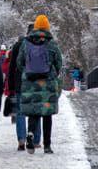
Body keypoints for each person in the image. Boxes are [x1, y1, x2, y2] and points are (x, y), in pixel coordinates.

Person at [16, 14, 63, 155]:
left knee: (33, 113)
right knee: (47, 115)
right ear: (48, 27)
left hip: (30, 83)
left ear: (35, 27)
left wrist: (27, 71)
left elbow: (19, 62)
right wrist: (52, 72)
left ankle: (30, 134)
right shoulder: (52, 44)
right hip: (47, 83)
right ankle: (47, 145)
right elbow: (58, 63)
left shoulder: (26, 43)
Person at [6, 24, 41, 151]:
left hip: (21, 83)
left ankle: (21, 140)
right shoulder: (42, 44)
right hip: (37, 84)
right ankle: (36, 140)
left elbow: (12, 68)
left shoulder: (19, 45)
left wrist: (10, 85)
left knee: (20, 112)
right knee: (36, 111)